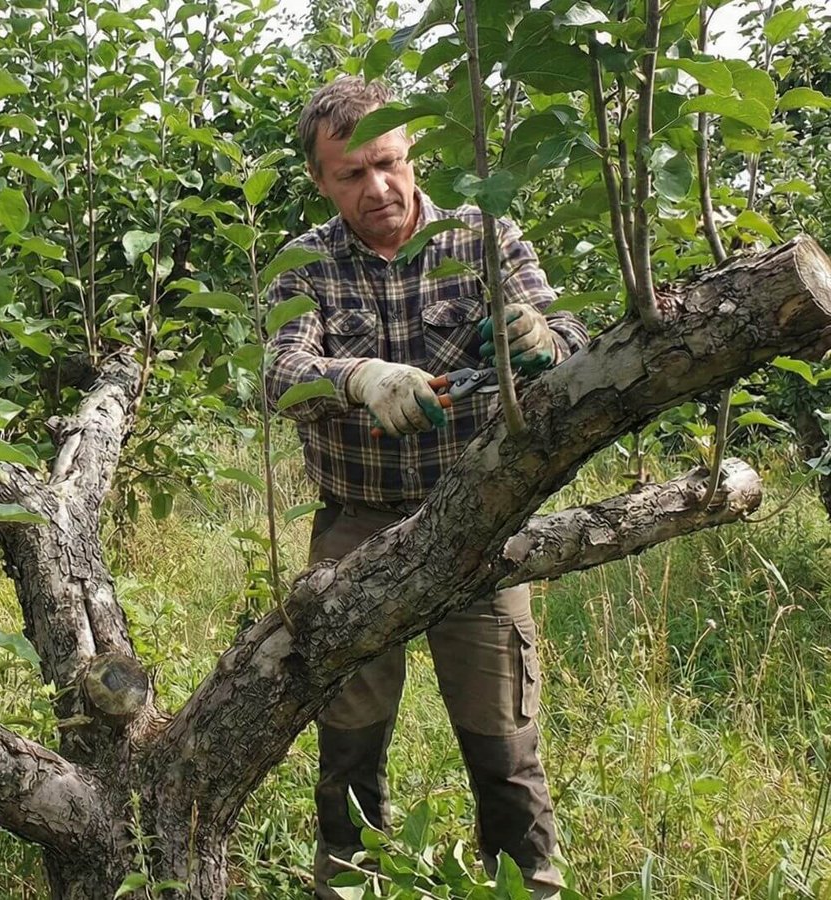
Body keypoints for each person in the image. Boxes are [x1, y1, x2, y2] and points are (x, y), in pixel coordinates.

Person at [265, 76, 589, 899]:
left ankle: (528, 889)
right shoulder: (307, 265)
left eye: (388, 163)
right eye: (351, 175)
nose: (377, 188)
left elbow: (576, 338)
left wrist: (541, 337)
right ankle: (347, 880)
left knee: (504, 738)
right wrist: (360, 376)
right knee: (348, 732)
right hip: (355, 527)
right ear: (320, 180)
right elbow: (279, 372)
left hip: (478, 520)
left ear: (413, 152)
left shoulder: (484, 237)